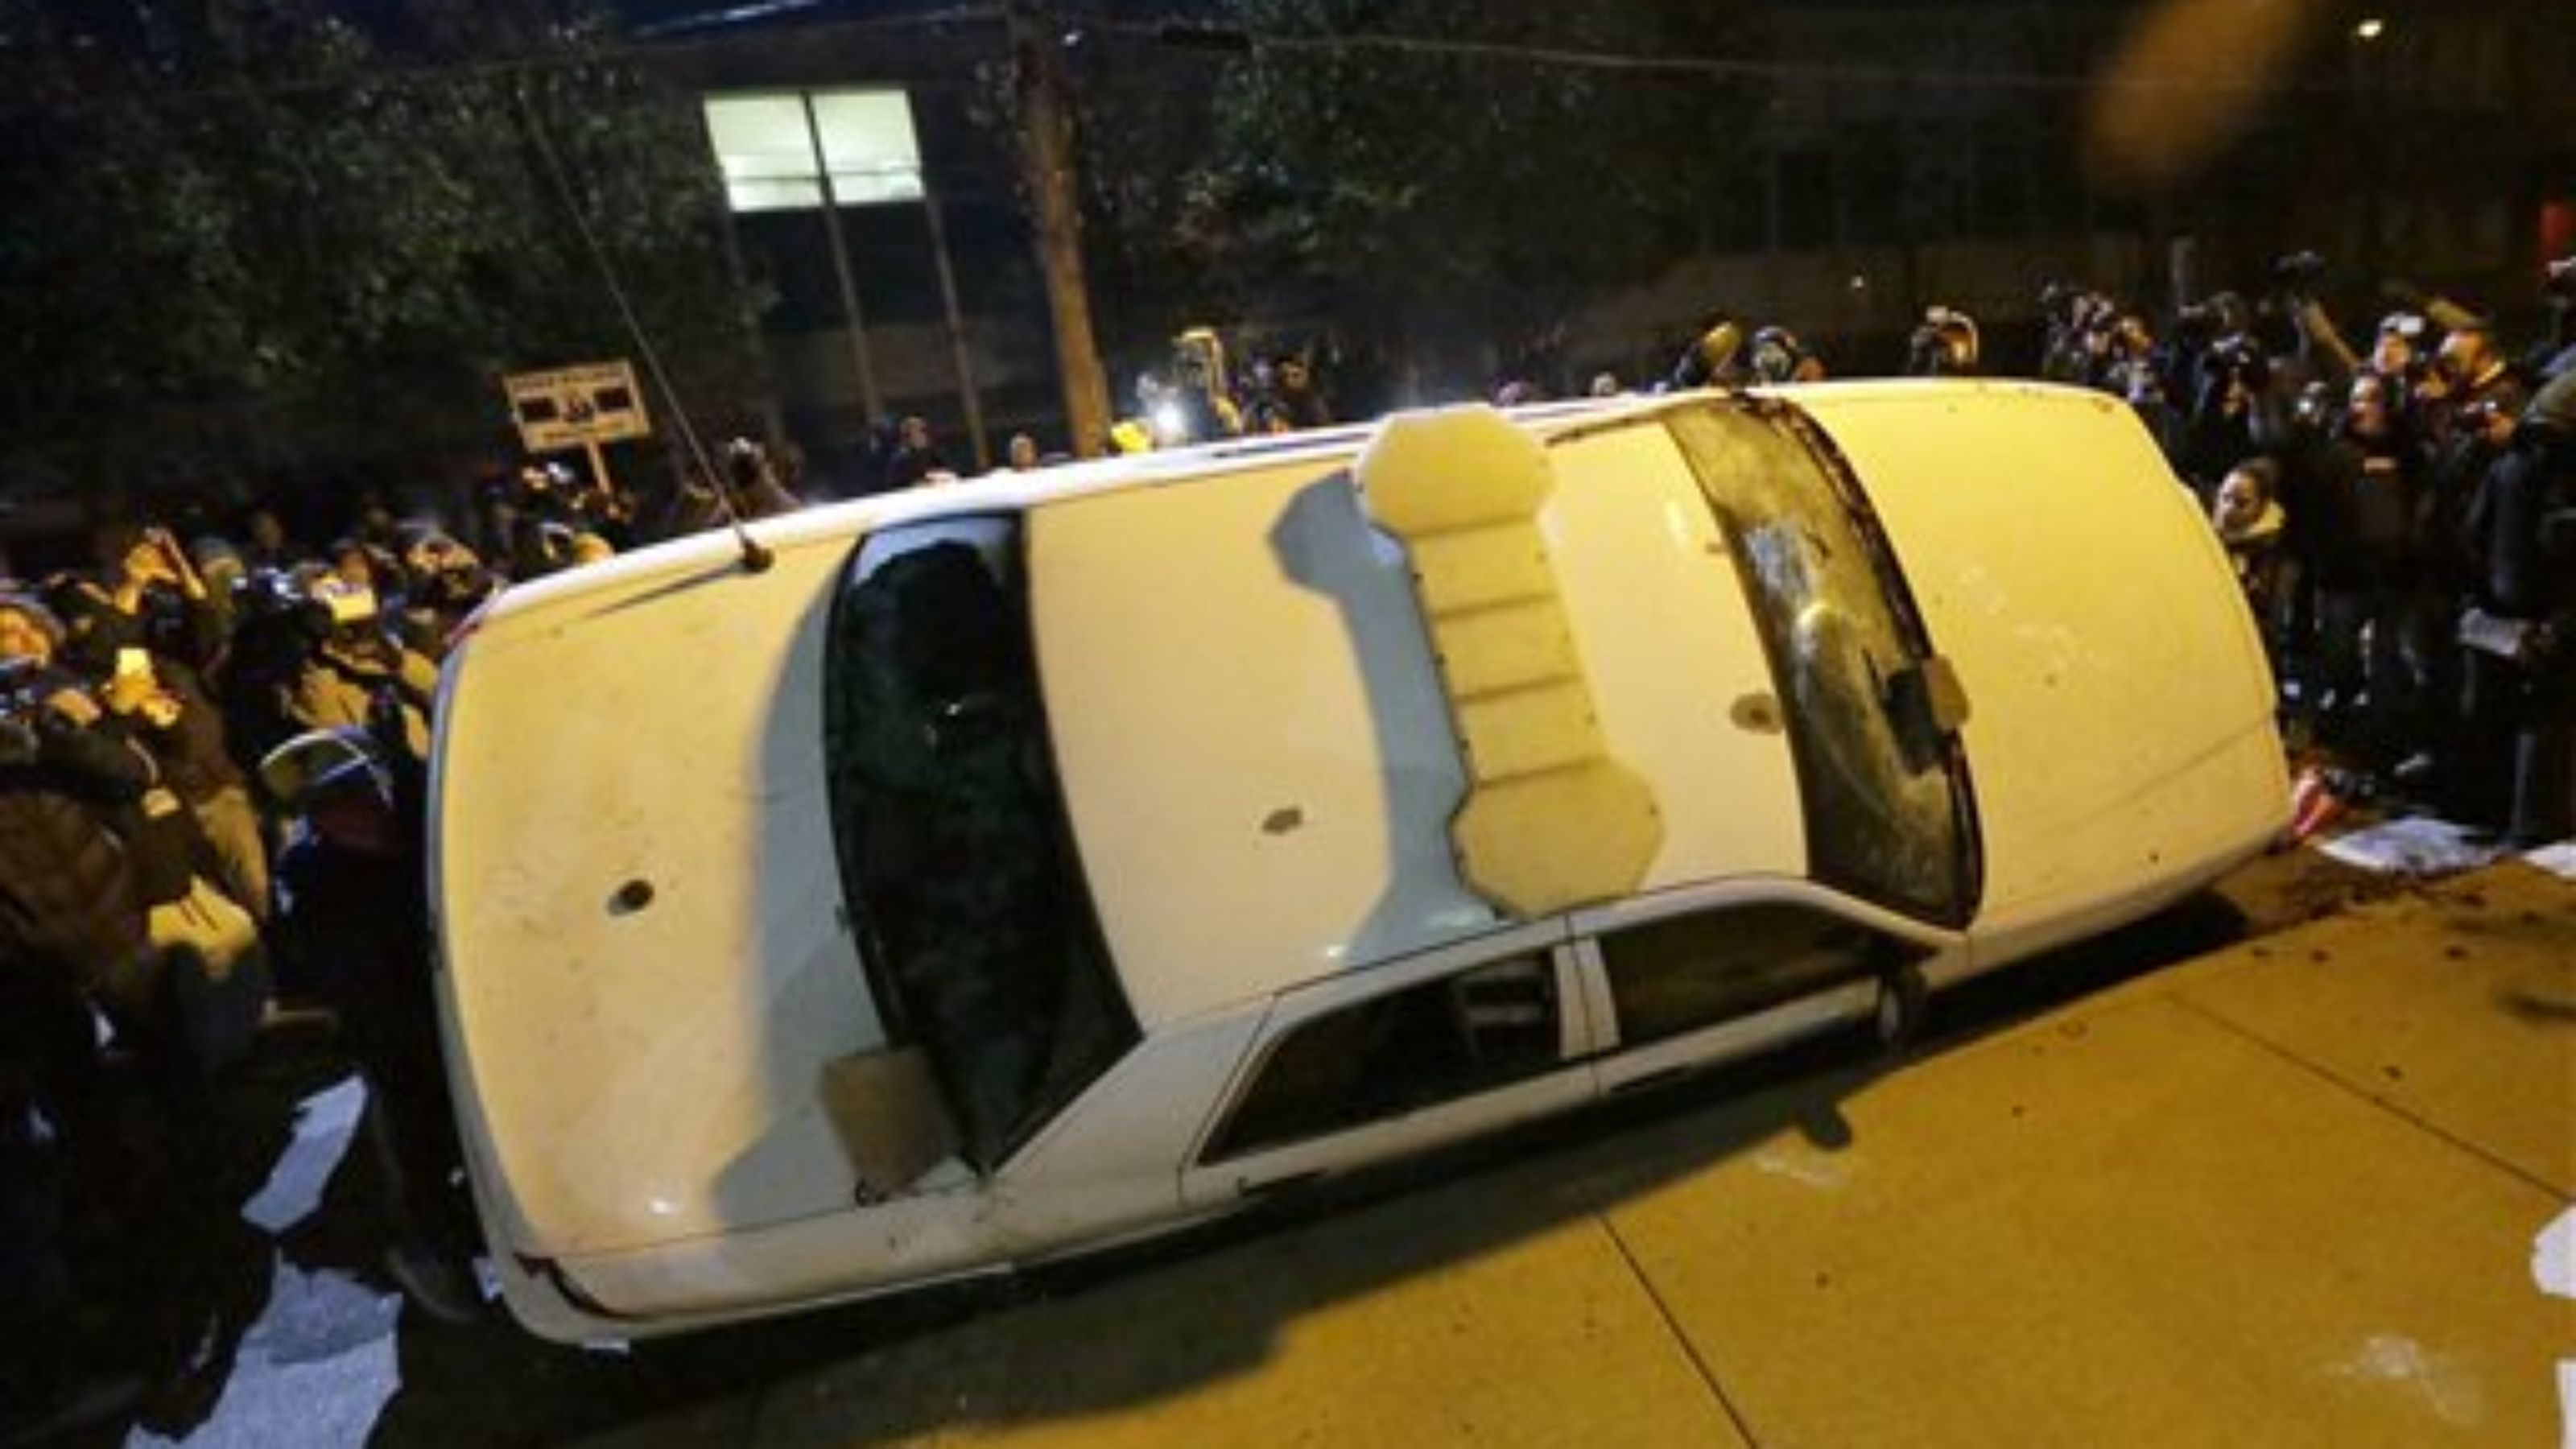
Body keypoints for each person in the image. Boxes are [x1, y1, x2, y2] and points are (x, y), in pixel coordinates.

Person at [262, 724, 484, 1323]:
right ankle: (429, 1250)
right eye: (323, 807)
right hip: (401, 1033)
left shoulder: (433, 829)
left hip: (472, 1009)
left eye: (354, 793)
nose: (345, 815)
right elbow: (333, 974)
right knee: (416, 1140)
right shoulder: (312, 879)